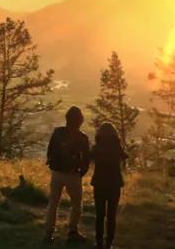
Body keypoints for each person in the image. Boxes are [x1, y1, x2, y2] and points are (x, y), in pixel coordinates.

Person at [44, 106, 91, 245]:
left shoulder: (58, 132)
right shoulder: (83, 137)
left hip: (56, 172)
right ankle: (72, 232)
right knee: (76, 204)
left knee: (53, 203)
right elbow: (86, 159)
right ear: (80, 121)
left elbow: (50, 149)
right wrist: (81, 171)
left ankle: (48, 233)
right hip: (72, 174)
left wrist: (50, 163)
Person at [90, 121, 128, 248]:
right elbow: (125, 156)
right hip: (114, 184)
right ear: (114, 134)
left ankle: (99, 243)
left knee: (99, 215)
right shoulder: (117, 147)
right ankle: (109, 244)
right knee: (111, 216)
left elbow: (89, 158)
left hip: (99, 184)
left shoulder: (97, 147)